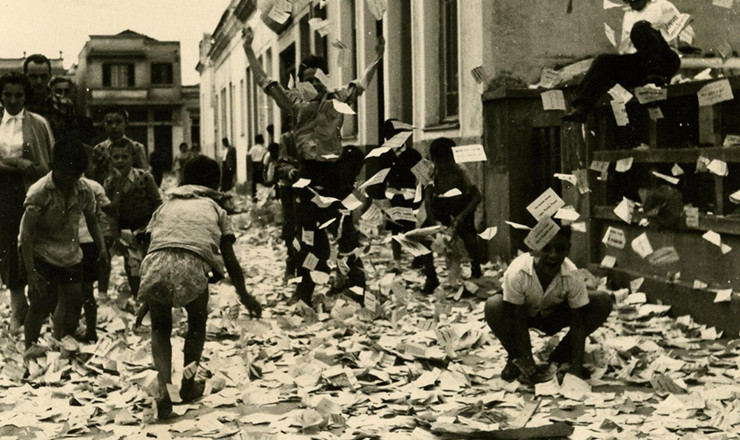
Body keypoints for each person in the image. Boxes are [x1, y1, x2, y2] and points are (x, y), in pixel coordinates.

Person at [242, 25, 384, 305]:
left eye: (317, 80)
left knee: (346, 232)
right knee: (307, 236)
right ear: (299, 83)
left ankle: (356, 289)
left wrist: (377, 59)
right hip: (308, 175)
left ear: (324, 79)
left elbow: (362, 83)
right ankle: (305, 290)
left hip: (336, 176)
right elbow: (264, 81)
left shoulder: (338, 98)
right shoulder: (293, 102)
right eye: (306, 81)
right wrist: (248, 48)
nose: (313, 86)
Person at [136, 154, 262, 419]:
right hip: (192, 266)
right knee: (196, 325)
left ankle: (164, 389)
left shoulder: (165, 206)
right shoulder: (217, 209)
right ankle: (188, 383)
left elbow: (152, 245)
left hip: (154, 263)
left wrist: (148, 293)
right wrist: (246, 296)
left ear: (183, 180)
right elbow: (230, 260)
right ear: (215, 184)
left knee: (160, 328)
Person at [484, 225, 613, 382]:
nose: (553, 255)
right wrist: (527, 357)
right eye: (546, 249)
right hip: (524, 315)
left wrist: (576, 368)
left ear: (568, 249)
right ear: (536, 248)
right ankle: (515, 358)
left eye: (560, 249)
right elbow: (517, 318)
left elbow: (578, 321)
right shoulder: (517, 271)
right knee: (493, 305)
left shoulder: (572, 274)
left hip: (554, 315)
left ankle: (560, 357)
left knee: (602, 300)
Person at [20, 138, 108, 350]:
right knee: (41, 302)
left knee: (75, 298)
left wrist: (102, 248)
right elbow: (26, 233)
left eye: (75, 175)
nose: (70, 179)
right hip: (39, 251)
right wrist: (31, 272)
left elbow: (93, 221)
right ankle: (29, 348)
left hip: (69, 251)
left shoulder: (84, 190)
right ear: (53, 168)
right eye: (65, 174)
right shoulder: (39, 192)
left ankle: (67, 341)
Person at [563, 0, 687, 122]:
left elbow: (686, 34)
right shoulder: (628, 14)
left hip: (664, 60)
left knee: (640, 27)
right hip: (642, 65)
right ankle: (582, 107)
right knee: (604, 60)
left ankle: (655, 80)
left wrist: (676, 40)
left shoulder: (662, 6)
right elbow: (625, 50)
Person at [0, 72, 54, 332]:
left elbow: (45, 164)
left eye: (18, 95)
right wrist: (17, 164)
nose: (12, 100)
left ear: (25, 96)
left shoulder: (39, 124)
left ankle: (41, 310)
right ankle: (17, 309)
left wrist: (19, 166)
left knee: (34, 244)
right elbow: (24, 164)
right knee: (9, 248)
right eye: (7, 94)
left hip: (31, 192)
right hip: (3, 194)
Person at [104, 138, 162, 298]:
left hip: (146, 226)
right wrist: (116, 238)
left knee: (150, 263)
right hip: (125, 230)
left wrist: (154, 228)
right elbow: (111, 213)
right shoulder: (109, 184)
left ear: (133, 159)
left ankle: (152, 296)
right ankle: (138, 297)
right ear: (110, 159)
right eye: (116, 157)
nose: (120, 161)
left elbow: (157, 203)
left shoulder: (145, 177)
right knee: (131, 265)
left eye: (124, 157)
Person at [425, 138, 484, 284]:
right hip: (440, 208)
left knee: (470, 239)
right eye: (440, 162)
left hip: (461, 207)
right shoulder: (431, 172)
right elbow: (427, 200)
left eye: (448, 161)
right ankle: (431, 277)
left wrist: (461, 217)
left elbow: (477, 196)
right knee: (424, 240)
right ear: (433, 160)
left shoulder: (461, 170)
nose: (444, 165)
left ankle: (476, 271)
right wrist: (434, 224)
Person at [76, 177, 112, 342]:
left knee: (77, 291)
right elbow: (105, 210)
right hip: (86, 242)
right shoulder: (93, 185)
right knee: (86, 290)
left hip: (77, 242)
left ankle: (84, 329)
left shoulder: (61, 186)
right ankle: (89, 330)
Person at [91, 106, 149, 185]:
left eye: (118, 122)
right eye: (109, 123)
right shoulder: (98, 149)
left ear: (126, 123)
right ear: (103, 124)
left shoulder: (136, 147)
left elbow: (145, 176)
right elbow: (94, 178)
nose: (113, 127)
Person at [47, 77, 94, 145]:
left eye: (66, 92)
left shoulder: (85, 123)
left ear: (73, 93)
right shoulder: (46, 118)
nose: (63, 95)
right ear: (51, 94)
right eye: (59, 91)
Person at [23, 54, 53, 120]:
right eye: (33, 77)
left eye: (43, 77)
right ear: (25, 77)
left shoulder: (63, 105)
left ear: (50, 77)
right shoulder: (16, 104)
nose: (39, 81)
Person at [248, 134, 267, 202]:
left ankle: (254, 196)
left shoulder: (253, 148)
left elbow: (249, 156)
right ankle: (262, 196)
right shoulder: (264, 148)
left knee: (254, 181)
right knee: (262, 180)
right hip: (262, 164)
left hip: (254, 165)